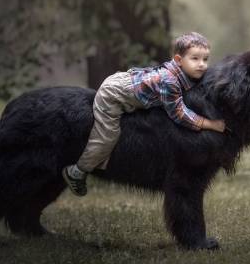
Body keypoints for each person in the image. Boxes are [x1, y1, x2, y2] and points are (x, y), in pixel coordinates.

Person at [62, 32, 226, 196]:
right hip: (112, 95)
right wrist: (211, 124)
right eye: (195, 58)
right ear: (178, 60)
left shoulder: (182, 74)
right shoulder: (169, 81)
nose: (202, 65)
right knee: (107, 136)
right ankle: (77, 171)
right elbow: (180, 114)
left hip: (127, 83)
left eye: (205, 59)